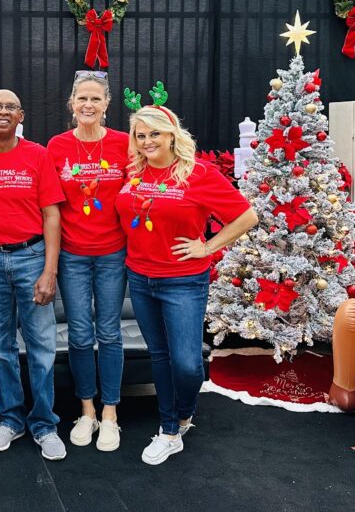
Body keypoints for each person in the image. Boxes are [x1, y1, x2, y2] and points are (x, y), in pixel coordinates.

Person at [114, 105, 257, 466]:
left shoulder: (198, 174)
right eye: (141, 135)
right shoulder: (134, 172)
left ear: (172, 134)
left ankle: (184, 412)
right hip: (141, 278)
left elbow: (247, 216)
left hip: (182, 281)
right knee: (160, 357)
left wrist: (207, 246)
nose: (147, 141)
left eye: (154, 134)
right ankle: (168, 430)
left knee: (188, 364)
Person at [0, 90, 68, 460]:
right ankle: (10, 419)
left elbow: (52, 215)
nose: (4, 111)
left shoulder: (38, 155)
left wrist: (49, 270)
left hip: (31, 257)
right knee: (0, 348)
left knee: (42, 349)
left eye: (11, 106)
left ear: (21, 115)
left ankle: (44, 424)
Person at [46, 70, 130, 451]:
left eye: (96, 99)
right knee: (79, 335)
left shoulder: (125, 144)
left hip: (113, 252)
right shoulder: (57, 146)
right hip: (73, 254)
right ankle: (87, 411)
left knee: (109, 333)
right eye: (82, 98)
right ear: (71, 103)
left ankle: (110, 414)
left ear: (107, 104)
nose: (88, 105)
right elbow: (51, 206)